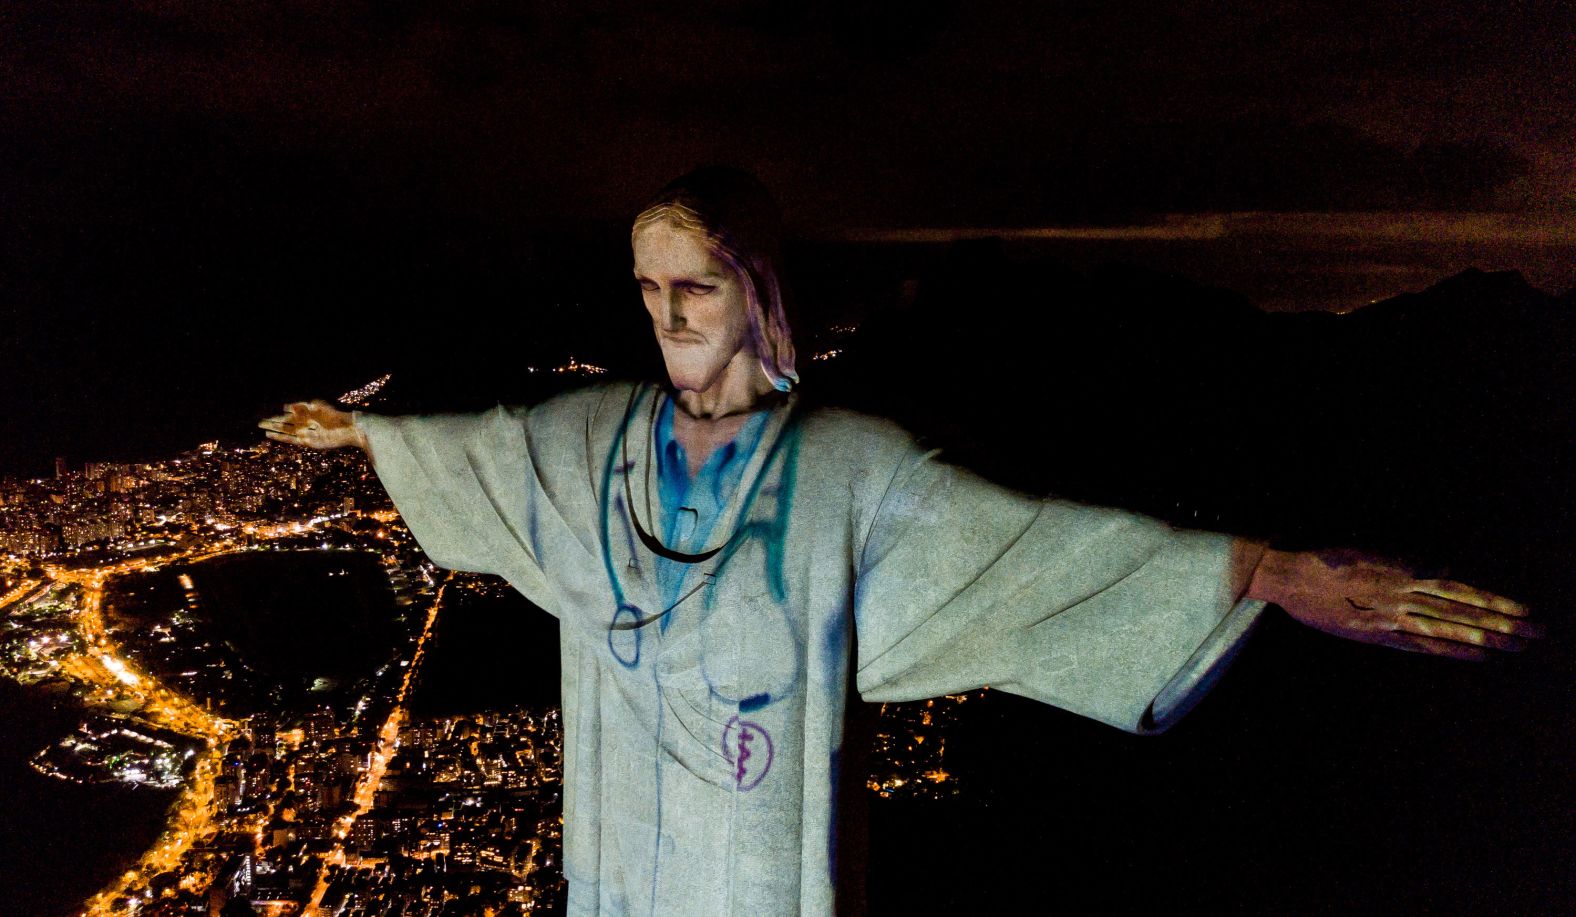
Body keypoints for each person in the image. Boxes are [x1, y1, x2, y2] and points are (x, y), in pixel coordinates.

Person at [259, 166, 1539, 916]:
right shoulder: (594, 437)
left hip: (758, 858)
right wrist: (368, 439)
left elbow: (1027, 546)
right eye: (648, 289)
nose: (667, 314)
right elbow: (481, 443)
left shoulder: (845, 466)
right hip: (618, 858)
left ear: (752, 291)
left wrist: (1258, 569)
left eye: (692, 285)